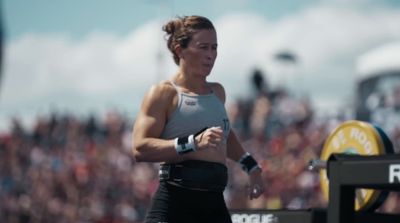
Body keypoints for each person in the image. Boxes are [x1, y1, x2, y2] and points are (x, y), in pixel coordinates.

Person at [132, 15, 265, 223]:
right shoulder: (164, 93)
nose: (210, 55)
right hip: (174, 204)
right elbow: (140, 148)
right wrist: (193, 142)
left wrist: (252, 167)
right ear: (180, 50)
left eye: (214, 48)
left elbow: (225, 138)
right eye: (203, 47)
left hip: (214, 203)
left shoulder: (218, 92)